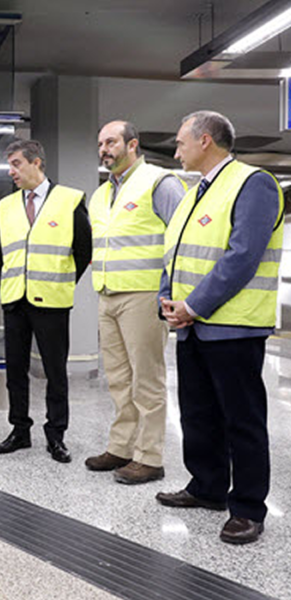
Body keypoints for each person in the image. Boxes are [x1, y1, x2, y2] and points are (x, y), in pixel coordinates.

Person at [156, 111, 283, 545]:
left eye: (180, 143)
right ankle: (207, 487)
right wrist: (167, 299)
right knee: (197, 413)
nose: (176, 151)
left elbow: (242, 256)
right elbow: (175, 253)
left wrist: (193, 305)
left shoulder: (254, 183)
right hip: (191, 325)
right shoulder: (196, 192)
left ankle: (248, 507)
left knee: (241, 419)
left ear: (205, 140)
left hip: (233, 326)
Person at [85, 121, 185, 484]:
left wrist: (169, 290)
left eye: (111, 141)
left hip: (144, 295)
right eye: (100, 143)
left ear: (133, 145)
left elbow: (183, 237)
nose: (103, 149)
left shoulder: (159, 182)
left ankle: (150, 457)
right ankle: (122, 446)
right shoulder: (100, 195)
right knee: (118, 379)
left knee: (147, 380)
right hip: (108, 294)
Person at [0, 139, 91, 463]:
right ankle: (19, 431)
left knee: (55, 371)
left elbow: (84, 251)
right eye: (10, 165)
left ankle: (56, 434)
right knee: (15, 370)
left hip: (52, 302)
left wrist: (62, 282)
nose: (11, 171)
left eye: (16, 163)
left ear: (36, 163)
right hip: (15, 299)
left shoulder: (69, 200)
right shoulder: (7, 205)